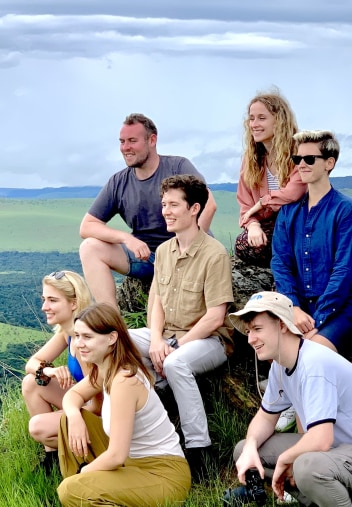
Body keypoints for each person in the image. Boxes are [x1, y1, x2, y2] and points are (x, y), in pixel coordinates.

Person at [228, 292, 352, 507]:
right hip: (337, 454)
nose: (250, 339)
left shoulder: (314, 363)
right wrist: (250, 447)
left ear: (283, 325)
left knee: (306, 465)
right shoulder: (280, 365)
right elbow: (265, 419)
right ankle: (324, 498)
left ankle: (340, 496)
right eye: (248, 332)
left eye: (257, 329)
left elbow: (321, 439)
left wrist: (287, 460)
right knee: (246, 450)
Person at [126, 174, 234, 481]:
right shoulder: (163, 252)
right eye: (164, 204)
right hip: (167, 335)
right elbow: (156, 304)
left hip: (208, 341)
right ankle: (145, 416)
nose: (166, 211)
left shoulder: (214, 254)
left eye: (174, 205)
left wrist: (174, 346)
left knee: (174, 364)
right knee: (118, 341)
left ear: (194, 209)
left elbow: (215, 317)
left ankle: (200, 451)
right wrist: (158, 339)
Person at [56, 303, 190, 507]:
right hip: (131, 462)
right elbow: (73, 395)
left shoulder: (124, 380)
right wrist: (74, 416)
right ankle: (85, 488)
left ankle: (81, 487)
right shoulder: (106, 368)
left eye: (87, 337)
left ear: (111, 338)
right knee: (68, 419)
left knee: (70, 490)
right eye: (77, 336)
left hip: (162, 474)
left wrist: (82, 474)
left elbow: (116, 456)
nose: (79, 344)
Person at [79, 113, 218, 309]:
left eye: (132, 141)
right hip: (147, 257)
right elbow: (87, 226)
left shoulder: (178, 166)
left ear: (152, 140)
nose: (125, 147)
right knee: (89, 248)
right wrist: (126, 239)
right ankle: (111, 323)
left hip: (188, 255)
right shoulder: (118, 182)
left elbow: (209, 204)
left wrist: (187, 250)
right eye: (122, 142)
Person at [271, 130, 352, 354]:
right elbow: (280, 262)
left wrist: (317, 321)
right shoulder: (288, 213)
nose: (301, 165)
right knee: (271, 347)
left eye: (309, 159)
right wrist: (294, 307)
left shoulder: (347, 210)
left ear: (329, 163)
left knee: (312, 353)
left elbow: (344, 270)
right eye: (297, 159)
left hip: (345, 306)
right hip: (302, 305)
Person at [22, 270, 96, 468]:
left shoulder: (85, 341)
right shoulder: (68, 333)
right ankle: (53, 459)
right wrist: (49, 371)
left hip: (100, 413)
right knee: (31, 382)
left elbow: (99, 400)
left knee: (38, 428)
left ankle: (87, 454)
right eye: (44, 299)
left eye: (53, 300)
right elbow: (32, 363)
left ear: (74, 303)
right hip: (83, 401)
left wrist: (71, 410)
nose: (44, 307)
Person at [234, 90, 307, 267]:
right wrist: (252, 226)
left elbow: (293, 193)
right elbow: (245, 205)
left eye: (261, 118)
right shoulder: (251, 159)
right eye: (251, 118)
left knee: (287, 225)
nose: (254, 124)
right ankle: (283, 267)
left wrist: (261, 203)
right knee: (243, 244)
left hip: (300, 224)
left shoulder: (299, 151)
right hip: (270, 226)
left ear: (279, 121)